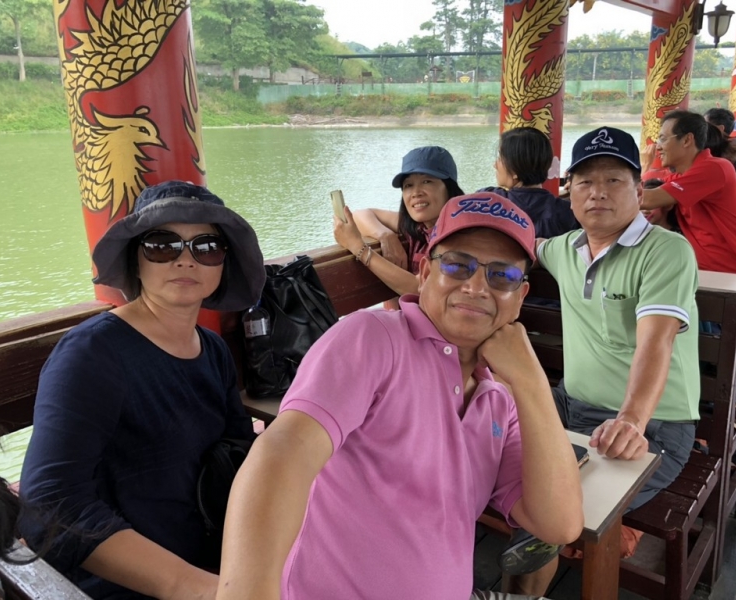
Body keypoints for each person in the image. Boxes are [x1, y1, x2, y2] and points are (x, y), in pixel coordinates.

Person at [217, 192, 584, 600]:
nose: (476, 286)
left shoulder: (499, 400)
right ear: (425, 272)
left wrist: (531, 381)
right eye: (457, 265)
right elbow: (284, 452)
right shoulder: (374, 339)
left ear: (520, 298)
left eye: (502, 276)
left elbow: (559, 523)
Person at [18, 181, 265, 600]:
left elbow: (242, 451)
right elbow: (50, 505)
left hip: (217, 558)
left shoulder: (213, 350)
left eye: (206, 247)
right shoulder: (92, 354)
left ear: (223, 264)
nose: (185, 260)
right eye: (162, 246)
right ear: (135, 259)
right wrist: (196, 588)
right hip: (128, 584)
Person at [506, 126, 701, 588]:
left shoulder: (666, 251)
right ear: (569, 192)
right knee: (483, 448)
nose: (598, 192)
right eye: (585, 181)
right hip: (567, 405)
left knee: (551, 507)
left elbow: (657, 341)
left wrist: (631, 420)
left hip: (652, 424)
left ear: (639, 191)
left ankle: (524, 578)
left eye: (613, 180)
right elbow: (516, 244)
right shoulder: (564, 249)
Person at [641, 109, 736, 386]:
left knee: (727, 342)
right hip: (704, 280)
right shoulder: (681, 177)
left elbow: (647, 199)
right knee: (694, 336)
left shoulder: (716, 168)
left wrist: (600, 192)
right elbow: (650, 192)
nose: (657, 145)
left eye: (663, 138)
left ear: (687, 140)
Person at [334, 146, 464, 295]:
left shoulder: (461, 235)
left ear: (450, 188)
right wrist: (385, 235)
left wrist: (358, 248)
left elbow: (420, 289)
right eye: (408, 185)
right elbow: (361, 215)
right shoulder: (419, 226)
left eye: (427, 181)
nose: (416, 193)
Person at [479, 126, 580, 238]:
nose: (495, 165)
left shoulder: (486, 202)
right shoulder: (569, 212)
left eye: (500, 158)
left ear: (515, 170)